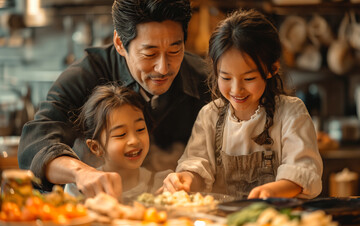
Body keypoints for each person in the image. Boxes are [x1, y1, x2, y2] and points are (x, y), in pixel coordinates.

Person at [18, 0, 210, 199]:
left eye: (174, 51)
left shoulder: (203, 78)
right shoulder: (86, 75)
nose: (163, 68)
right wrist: (81, 172)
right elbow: (34, 146)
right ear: (119, 43)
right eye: (149, 53)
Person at [162, 9, 323, 199]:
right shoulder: (210, 115)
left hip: (277, 218)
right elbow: (198, 166)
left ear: (272, 69)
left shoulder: (290, 112)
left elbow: (303, 170)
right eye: (226, 77)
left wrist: (272, 191)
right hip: (223, 222)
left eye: (249, 78)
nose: (236, 90)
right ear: (215, 69)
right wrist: (185, 179)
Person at [64, 84, 171, 201]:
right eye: (121, 134)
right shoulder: (82, 188)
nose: (134, 141)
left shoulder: (163, 184)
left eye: (140, 129)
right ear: (96, 147)